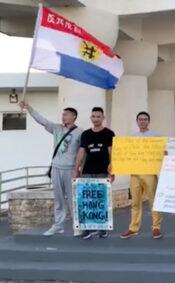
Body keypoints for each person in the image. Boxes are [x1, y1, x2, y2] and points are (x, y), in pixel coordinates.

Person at [19, 101, 83, 236]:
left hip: (70, 169)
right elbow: (41, 120)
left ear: (74, 116)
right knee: (58, 198)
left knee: (73, 199)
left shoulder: (80, 132)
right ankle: (58, 225)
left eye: (66, 114)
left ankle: (77, 226)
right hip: (56, 168)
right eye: (63, 114)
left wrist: (79, 168)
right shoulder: (56, 128)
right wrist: (29, 107)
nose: (63, 117)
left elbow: (83, 152)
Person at [73, 107, 115, 239]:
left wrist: (112, 169)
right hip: (87, 171)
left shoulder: (109, 133)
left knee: (101, 200)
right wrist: (77, 168)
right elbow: (81, 151)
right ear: (91, 118)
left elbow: (111, 152)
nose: (96, 119)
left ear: (103, 118)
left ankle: (102, 228)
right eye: (93, 116)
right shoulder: (85, 134)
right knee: (87, 200)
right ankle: (87, 228)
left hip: (103, 171)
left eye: (98, 116)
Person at [120, 112, 164, 239]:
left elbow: (162, 152)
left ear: (149, 121)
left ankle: (156, 227)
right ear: (137, 121)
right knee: (135, 202)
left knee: (153, 201)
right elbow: (126, 154)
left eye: (145, 119)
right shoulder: (132, 137)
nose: (143, 121)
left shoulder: (156, 136)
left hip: (150, 172)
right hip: (135, 173)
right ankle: (133, 228)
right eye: (140, 119)